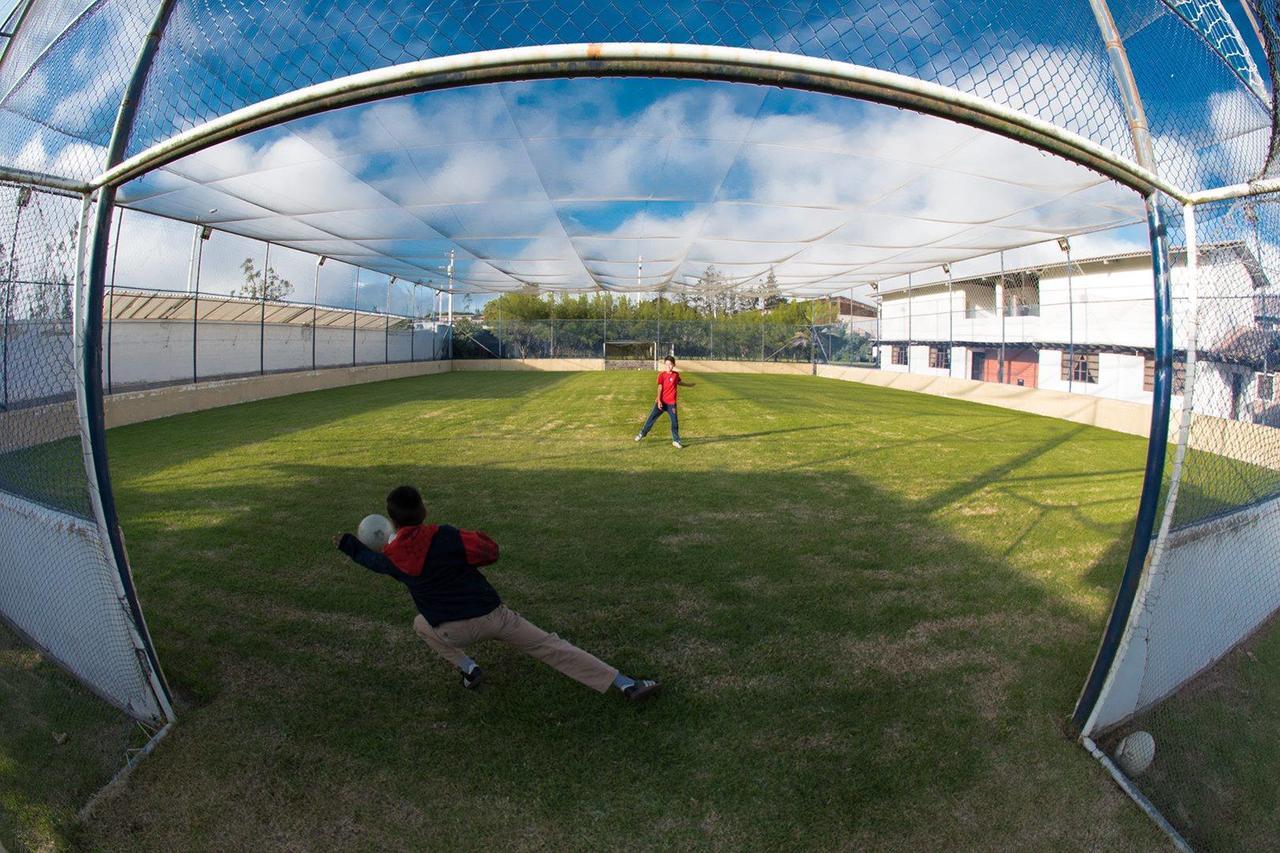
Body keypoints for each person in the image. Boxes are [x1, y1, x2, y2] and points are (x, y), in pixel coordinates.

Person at [334, 486, 660, 702]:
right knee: (550, 645)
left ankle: (468, 668)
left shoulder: (392, 560)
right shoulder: (445, 535)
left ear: (391, 521)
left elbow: (371, 560)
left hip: (450, 629)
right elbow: (489, 552)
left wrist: (348, 543)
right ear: (424, 509)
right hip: (494, 617)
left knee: (420, 624)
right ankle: (625, 684)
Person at [635, 355, 693, 448]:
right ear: (665, 365)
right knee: (651, 419)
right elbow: (660, 387)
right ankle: (642, 433)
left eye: (670, 364)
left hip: (671, 404)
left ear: (674, 365)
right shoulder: (662, 375)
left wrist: (689, 385)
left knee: (675, 422)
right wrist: (658, 400)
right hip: (661, 402)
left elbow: (678, 382)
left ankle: (676, 440)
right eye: (666, 364)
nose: (668, 366)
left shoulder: (676, 375)